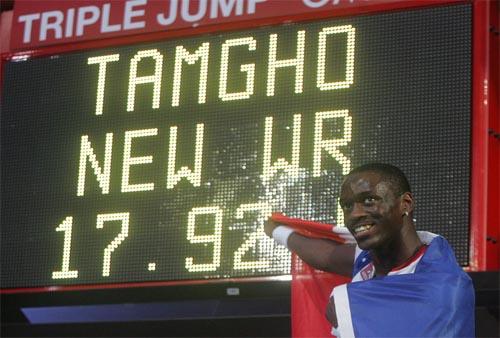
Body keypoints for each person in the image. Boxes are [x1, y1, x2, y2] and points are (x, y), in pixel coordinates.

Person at [264, 163, 475, 337]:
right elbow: (325, 256)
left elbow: (342, 308)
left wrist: (347, 302)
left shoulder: (446, 286)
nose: (355, 214)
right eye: (347, 206)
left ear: (406, 204)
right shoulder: (368, 259)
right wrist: (278, 231)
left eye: (369, 201)